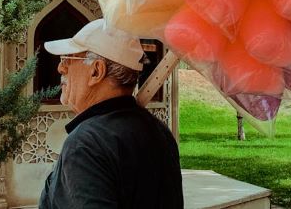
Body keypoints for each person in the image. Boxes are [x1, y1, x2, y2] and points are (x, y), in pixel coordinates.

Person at [38, 19, 183, 208]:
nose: (60, 67)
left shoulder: (86, 144)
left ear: (97, 71)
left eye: (69, 59)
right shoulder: (159, 132)